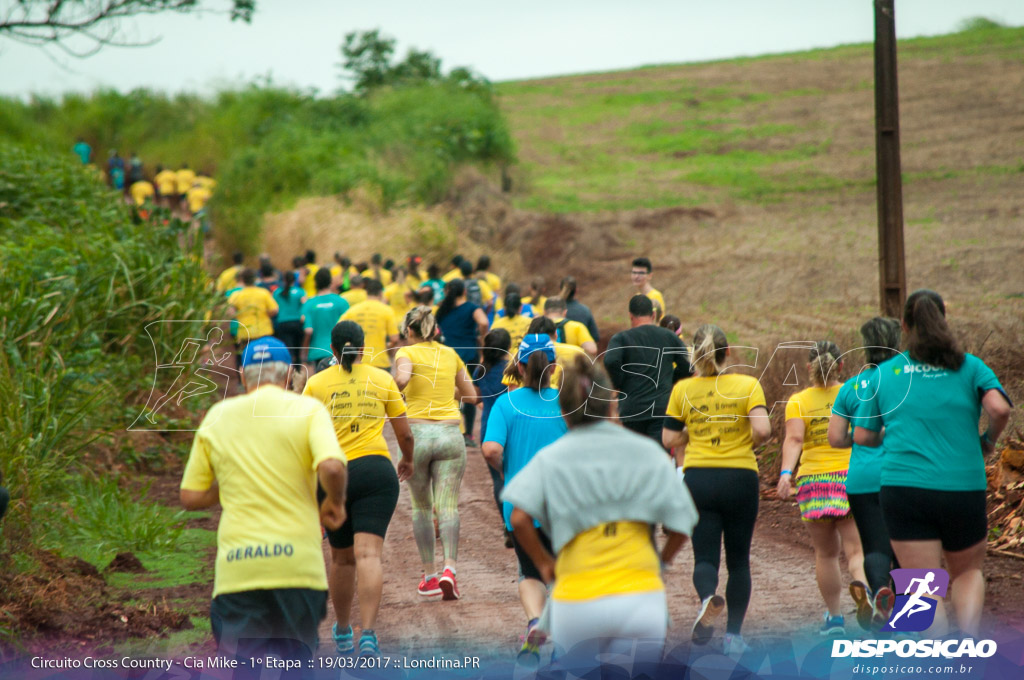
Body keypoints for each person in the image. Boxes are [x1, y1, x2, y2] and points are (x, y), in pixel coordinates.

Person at [503, 356, 698, 671]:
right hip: (640, 597)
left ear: (564, 412)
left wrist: (543, 563)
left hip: (576, 601)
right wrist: (661, 561)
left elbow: (519, 518)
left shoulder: (550, 459)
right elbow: (683, 524)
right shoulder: (647, 452)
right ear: (611, 403)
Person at [854, 289, 1012, 638]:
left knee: (922, 586)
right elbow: (1000, 409)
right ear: (944, 320)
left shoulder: (888, 372)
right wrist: (987, 441)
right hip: (962, 487)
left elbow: (863, 436)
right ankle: (968, 647)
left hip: (905, 489)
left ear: (905, 327)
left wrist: (888, 435)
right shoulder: (971, 367)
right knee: (967, 574)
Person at [179, 337, 347, 661]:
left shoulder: (218, 415)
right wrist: (335, 503)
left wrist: (226, 484)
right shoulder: (308, 409)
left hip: (238, 572)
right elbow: (331, 466)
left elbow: (190, 496)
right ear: (287, 377)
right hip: (299, 570)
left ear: (243, 376)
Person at [303, 322, 415, 657]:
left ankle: (341, 631)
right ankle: (368, 635)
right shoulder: (383, 379)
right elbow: (405, 434)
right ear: (364, 349)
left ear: (333, 352)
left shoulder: (315, 384)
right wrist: (407, 460)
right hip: (376, 471)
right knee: (369, 555)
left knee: (341, 558)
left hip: (333, 473)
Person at [662, 324, 771, 655]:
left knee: (705, 555)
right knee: (739, 560)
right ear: (727, 353)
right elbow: (763, 431)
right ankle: (734, 637)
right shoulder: (747, 385)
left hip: (700, 479)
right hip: (740, 478)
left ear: (695, 355)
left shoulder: (683, 389)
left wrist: (694, 436)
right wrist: (741, 439)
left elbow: (668, 439)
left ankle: (708, 597)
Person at [482, 334, 567, 661]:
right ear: (554, 367)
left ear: (518, 366)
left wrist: (506, 472)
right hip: (562, 504)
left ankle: (535, 622)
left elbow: (490, 448)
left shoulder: (507, 403)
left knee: (529, 572)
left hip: (520, 505)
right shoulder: (566, 402)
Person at [776, 341, 866, 637]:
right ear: (841, 365)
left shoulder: (798, 400)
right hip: (850, 478)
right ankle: (864, 590)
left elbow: (794, 440)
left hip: (813, 482)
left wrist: (786, 474)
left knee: (825, 554)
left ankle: (836, 618)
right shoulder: (855, 391)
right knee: (856, 551)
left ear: (808, 367)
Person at [394, 306, 479, 600]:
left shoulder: (406, 353)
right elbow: (471, 395)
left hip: (417, 436)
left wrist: (396, 389)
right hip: (449, 435)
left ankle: (429, 575)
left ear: (409, 331)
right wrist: (447, 392)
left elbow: (403, 379)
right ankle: (450, 570)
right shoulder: (450, 353)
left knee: (420, 508)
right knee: (448, 506)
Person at [828, 317, 902, 630]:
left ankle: (879, 595)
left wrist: (860, 440)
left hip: (860, 478)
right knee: (908, 548)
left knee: (874, 546)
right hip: (902, 476)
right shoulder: (905, 379)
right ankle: (911, 617)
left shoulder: (852, 386)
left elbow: (835, 438)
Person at [604, 295, 690, 445]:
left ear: (630, 316)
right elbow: (688, 365)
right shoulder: (668, 336)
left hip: (632, 409)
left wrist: (619, 383)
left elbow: (611, 360)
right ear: (654, 315)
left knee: (636, 456)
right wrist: (670, 381)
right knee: (659, 455)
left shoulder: (622, 339)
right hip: (661, 408)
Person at [436, 279, 490, 446]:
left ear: (446, 292)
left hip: (447, 354)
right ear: (464, 292)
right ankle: (468, 435)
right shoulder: (472, 308)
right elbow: (484, 322)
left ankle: (449, 430)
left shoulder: (441, 310)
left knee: (449, 392)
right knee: (468, 393)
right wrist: (481, 337)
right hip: (469, 353)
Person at [473, 328, 512, 546]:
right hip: (511, 425)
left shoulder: (480, 370)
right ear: (507, 347)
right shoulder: (512, 369)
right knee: (515, 474)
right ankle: (520, 523)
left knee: (498, 479)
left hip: (488, 428)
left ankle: (508, 527)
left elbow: (475, 396)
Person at [340, 279, 400, 372]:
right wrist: (389, 350)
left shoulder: (353, 310)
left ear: (366, 292)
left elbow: (339, 329)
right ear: (381, 293)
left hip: (358, 360)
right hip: (380, 360)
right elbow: (394, 338)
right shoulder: (387, 310)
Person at [301, 268, 349, 371]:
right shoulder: (341, 302)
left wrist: (304, 353)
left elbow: (308, 331)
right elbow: (348, 328)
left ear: (315, 283)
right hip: (339, 351)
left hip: (317, 352)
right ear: (330, 282)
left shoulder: (309, 304)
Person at [226, 269, 278, 350]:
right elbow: (274, 309)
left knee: (246, 355)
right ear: (255, 279)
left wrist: (239, 315)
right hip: (263, 330)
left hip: (245, 331)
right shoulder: (263, 293)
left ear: (242, 280)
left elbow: (230, 313)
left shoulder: (236, 295)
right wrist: (265, 314)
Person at [272, 271, 307, 365]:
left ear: (283, 280)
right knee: (297, 349)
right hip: (298, 323)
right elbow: (305, 305)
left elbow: (274, 308)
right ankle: (298, 369)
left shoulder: (277, 293)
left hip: (283, 323)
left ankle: (289, 370)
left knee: (288, 349)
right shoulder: (300, 292)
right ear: (294, 280)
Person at [558, 276, 599, 343]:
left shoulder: (552, 310)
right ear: (576, 290)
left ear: (560, 290)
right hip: (579, 352)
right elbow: (595, 337)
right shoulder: (585, 310)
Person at [630, 257, 665, 321]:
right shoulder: (637, 296)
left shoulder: (655, 296)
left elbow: (658, 322)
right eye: (634, 273)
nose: (636, 276)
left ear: (650, 276)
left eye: (641, 273)